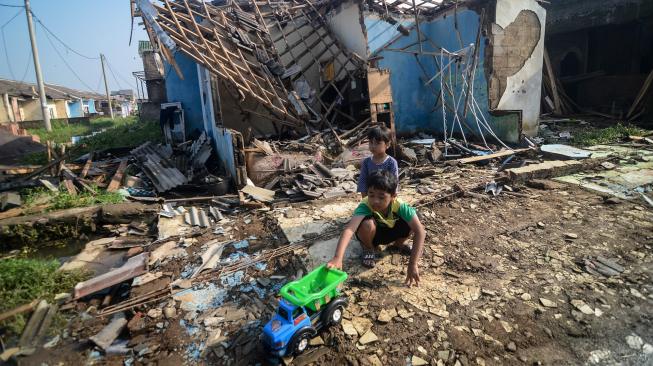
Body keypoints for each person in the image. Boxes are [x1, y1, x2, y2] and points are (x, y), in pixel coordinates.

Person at [326, 170, 425, 287]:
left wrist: (413, 264)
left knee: (416, 218)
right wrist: (338, 257)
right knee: (367, 224)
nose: (375, 201)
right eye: (371, 195)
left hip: (390, 231)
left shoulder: (399, 206)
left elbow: (420, 232)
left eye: (381, 197)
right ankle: (368, 248)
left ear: (393, 196)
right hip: (374, 236)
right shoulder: (365, 205)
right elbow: (349, 229)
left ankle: (398, 244)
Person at [357, 126, 399, 198]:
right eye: (371, 142)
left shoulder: (391, 162)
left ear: (387, 144)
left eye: (377, 143)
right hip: (370, 198)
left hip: (385, 198)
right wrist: (365, 200)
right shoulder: (366, 162)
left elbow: (394, 183)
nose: (373, 146)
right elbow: (362, 182)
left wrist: (392, 198)